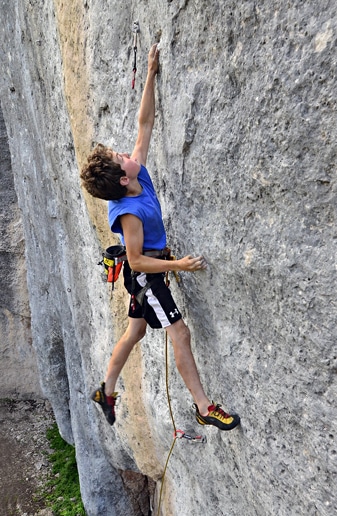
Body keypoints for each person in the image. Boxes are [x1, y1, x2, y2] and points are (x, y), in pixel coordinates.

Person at [80, 43, 240, 431]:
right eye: (122, 158)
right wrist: (178, 265)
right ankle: (204, 407)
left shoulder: (136, 179)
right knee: (179, 332)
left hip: (146, 271)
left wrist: (150, 73)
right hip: (146, 276)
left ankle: (107, 388)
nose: (127, 153)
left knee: (135, 331)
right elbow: (135, 262)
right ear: (123, 177)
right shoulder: (129, 212)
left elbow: (145, 124)